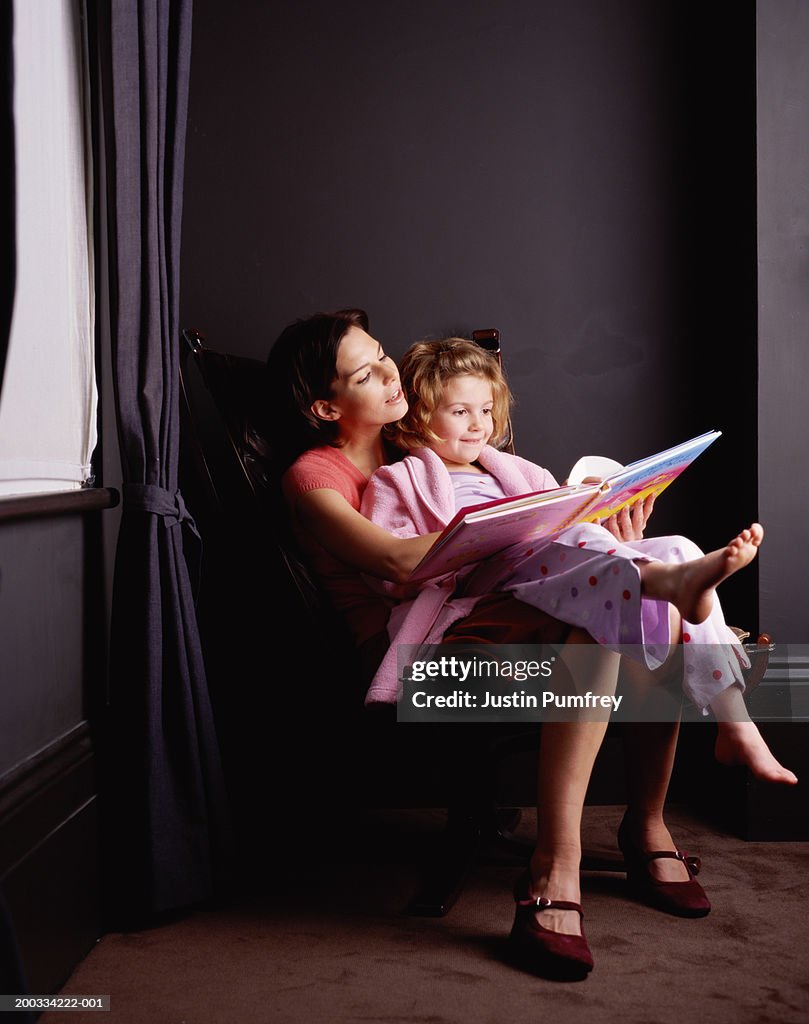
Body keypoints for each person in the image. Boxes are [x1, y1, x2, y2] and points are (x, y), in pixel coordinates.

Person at [265, 309, 789, 982]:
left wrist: (600, 537)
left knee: (627, 603)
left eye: (383, 357)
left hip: (494, 614)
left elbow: (504, 530)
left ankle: (647, 822)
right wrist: (542, 530)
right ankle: (558, 864)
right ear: (324, 404)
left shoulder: (430, 448)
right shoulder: (321, 474)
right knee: (603, 630)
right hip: (423, 662)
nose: (389, 374)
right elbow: (398, 565)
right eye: (366, 373)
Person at [359, 336, 797, 786]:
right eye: (460, 412)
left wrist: (607, 521)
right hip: (480, 587)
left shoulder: (521, 473)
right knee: (583, 537)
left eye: (486, 410)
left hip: (543, 567)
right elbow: (392, 576)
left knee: (679, 547)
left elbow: (570, 543)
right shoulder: (397, 480)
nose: (478, 425)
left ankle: (735, 723)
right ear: (417, 418)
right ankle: (668, 583)